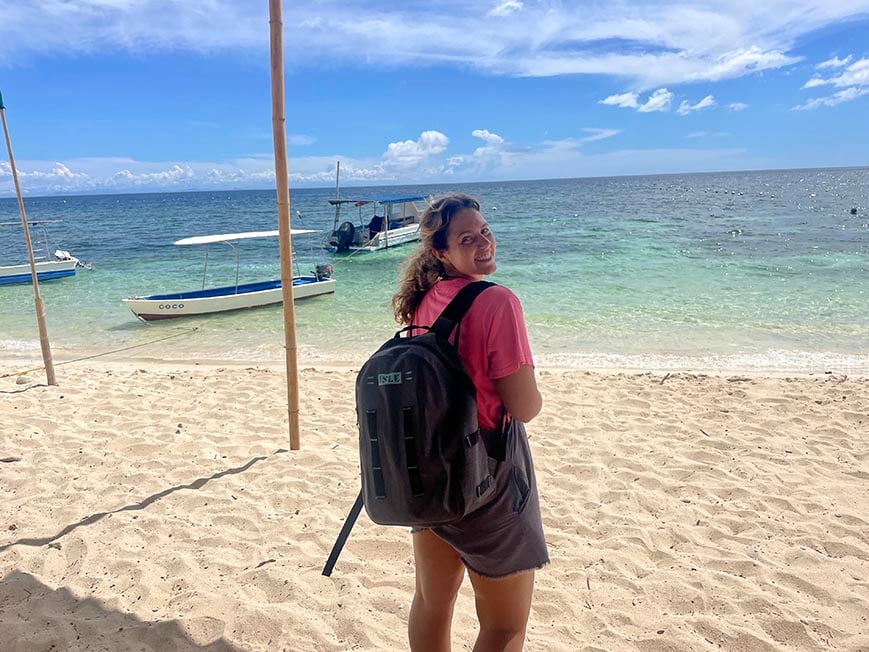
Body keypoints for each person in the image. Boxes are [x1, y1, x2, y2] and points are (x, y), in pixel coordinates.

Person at [392, 193, 548, 651]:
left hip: (428, 469)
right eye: (467, 237)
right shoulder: (497, 301)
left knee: (431, 602)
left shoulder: (424, 300)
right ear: (440, 251)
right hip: (487, 477)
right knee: (504, 627)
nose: (484, 242)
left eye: (484, 230)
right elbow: (523, 407)